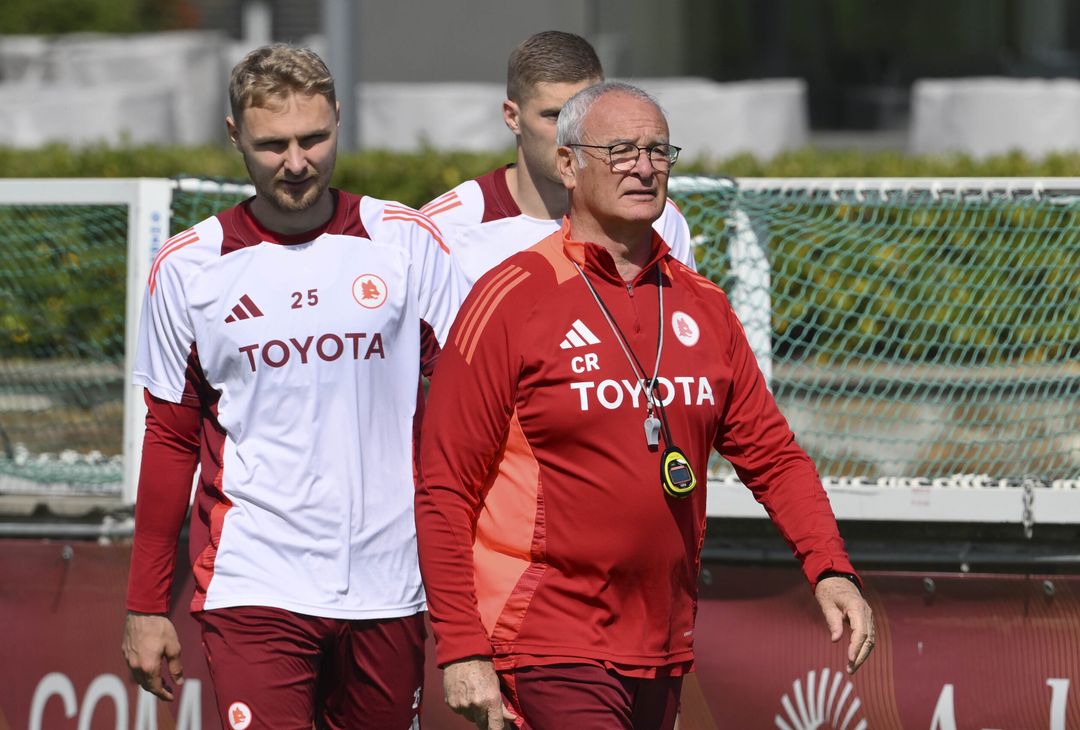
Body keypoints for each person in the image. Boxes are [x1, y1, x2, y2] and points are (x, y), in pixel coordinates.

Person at [415, 81, 874, 730]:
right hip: (546, 636)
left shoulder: (702, 304)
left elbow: (774, 457)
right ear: (568, 165)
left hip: (661, 642)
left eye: (659, 150)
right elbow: (444, 486)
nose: (644, 166)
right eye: (621, 150)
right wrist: (461, 645)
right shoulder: (512, 296)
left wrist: (830, 569)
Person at [120, 43, 462, 730]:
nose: (298, 162)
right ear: (234, 136)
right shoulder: (189, 266)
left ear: (339, 119)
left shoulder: (406, 242)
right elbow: (170, 438)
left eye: (314, 138)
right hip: (254, 579)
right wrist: (146, 604)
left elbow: (470, 411)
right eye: (273, 145)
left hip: (390, 580)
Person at [420, 30, 697, 287]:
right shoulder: (444, 228)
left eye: (585, 114)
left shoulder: (656, 216)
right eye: (555, 115)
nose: (570, 132)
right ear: (512, 117)